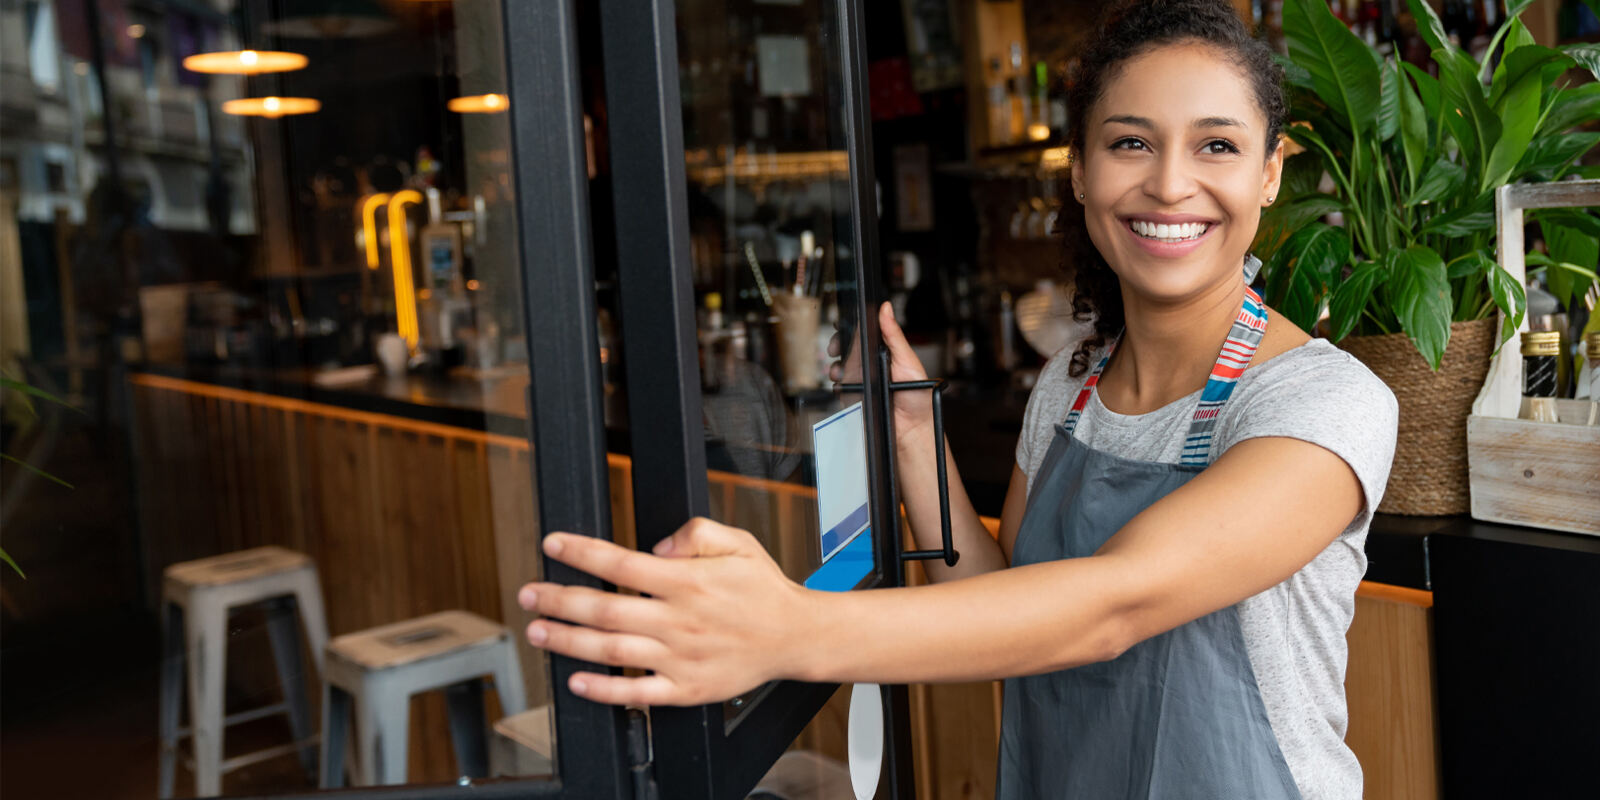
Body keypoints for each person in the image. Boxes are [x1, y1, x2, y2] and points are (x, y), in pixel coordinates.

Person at [515, 1, 1398, 797]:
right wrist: (912, 439)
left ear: (1271, 173)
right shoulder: (1072, 384)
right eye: (1130, 141)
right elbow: (1010, 605)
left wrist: (788, 629)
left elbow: (1110, 606)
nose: (1170, 184)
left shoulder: (1321, 401)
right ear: (1081, 170)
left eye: (1217, 145)